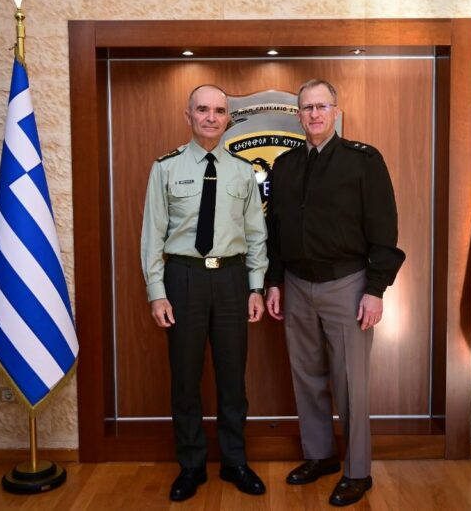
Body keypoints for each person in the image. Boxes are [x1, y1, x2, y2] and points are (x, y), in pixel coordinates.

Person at [265, 79, 405, 507]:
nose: (314, 114)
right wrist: (274, 281)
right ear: (298, 115)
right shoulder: (285, 165)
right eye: (307, 108)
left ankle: (358, 471)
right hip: (296, 285)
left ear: (336, 111)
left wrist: (375, 289)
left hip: (347, 285)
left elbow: (384, 228)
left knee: (350, 383)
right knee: (306, 377)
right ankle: (320, 455)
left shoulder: (363, 161)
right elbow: (275, 231)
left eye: (321, 106)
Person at [141, 84, 268, 502]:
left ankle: (234, 461)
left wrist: (255, 286)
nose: (211, 117)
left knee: (233, 378)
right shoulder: (165, 168)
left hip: (232, 280)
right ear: (188, 116)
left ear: (228, 118)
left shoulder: (243, 171)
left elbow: (256, 234)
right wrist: (157, 292)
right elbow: (152, 235)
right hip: (183, 279)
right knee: (185, 378)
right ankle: (192, 465)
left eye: (218, 111)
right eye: (202, 110)